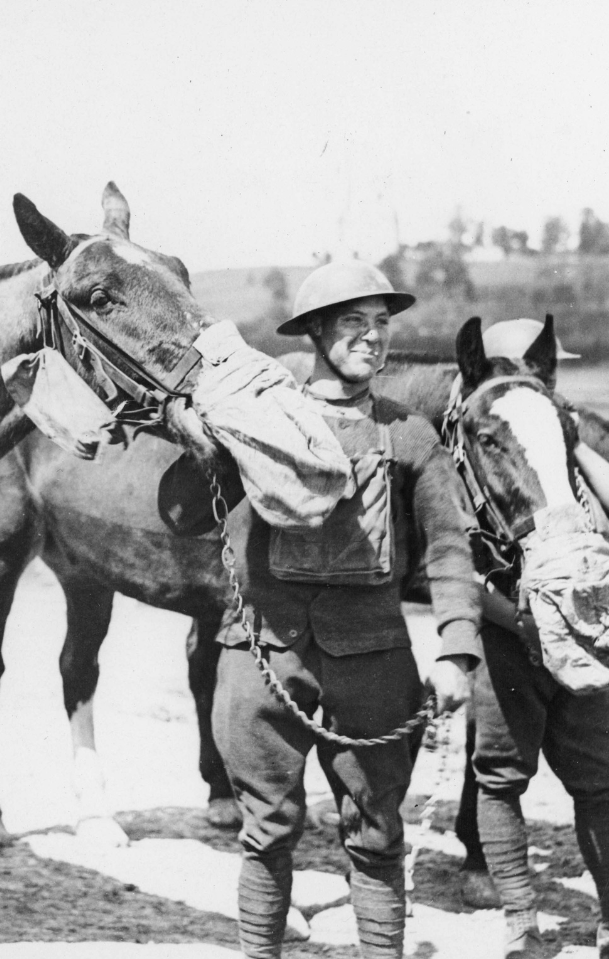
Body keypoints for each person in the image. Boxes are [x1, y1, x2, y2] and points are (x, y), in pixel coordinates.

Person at [160, 261, 482, 959]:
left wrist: (457, 649)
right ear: (314, 333)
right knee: (267, 833)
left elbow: (450, 549)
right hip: (259, 661)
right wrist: (205, 436)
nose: (372, 339)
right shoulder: (259, 421)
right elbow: (181, 514)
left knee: (376, 835)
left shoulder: (409, 436)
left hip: (373, 667)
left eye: (381, 325)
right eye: (353, 325)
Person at [461, 317, 609, 958]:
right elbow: (449, 567)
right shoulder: (468, 452)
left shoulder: (565, 435)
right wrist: (516, 620)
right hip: (507, 631)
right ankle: (520, 921)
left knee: (600, 781)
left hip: (576, 629)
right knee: (500, 777)